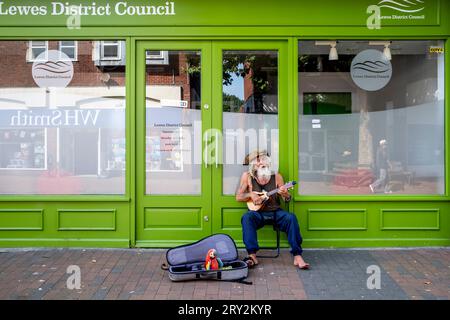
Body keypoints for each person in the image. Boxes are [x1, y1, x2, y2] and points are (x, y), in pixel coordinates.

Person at [235, 150, 310, 270]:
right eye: (258, 160)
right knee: (246, 218)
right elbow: (238, 197)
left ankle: (297, 255)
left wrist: (285, 194)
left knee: (291, 218)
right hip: (257, 214)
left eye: (264, 159)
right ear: (253, 164)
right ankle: (252, 255)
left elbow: (287, 199)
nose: (261, 163)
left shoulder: (277, 176)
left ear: (269, 162)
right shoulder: (247, 177)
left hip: (276, 213)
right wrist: (251, 195)